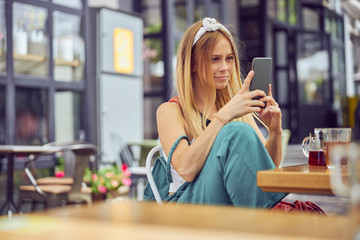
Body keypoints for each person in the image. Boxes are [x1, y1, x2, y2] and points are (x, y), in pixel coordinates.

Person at [148, 17, 287, 208]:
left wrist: (274, 131)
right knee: (235, 132)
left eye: (229, 58)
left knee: (237, 131)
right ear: (193, 64)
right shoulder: (171, 110)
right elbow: (185, 169)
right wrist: (224, 116)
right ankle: (272, 222)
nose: (225, 68)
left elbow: (263, 170)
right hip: (185, 206)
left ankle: (266, 222)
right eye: (215, 59)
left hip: (228, 202)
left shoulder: (236, 108)